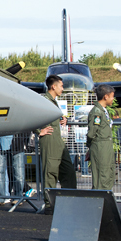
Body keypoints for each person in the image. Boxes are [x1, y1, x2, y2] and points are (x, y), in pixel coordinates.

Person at [38, 74, 76, 211]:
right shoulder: (43, 100)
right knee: (50, 172)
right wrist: (38, 131)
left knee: (68, 171)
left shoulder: (53, 101)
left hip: (58, 140)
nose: (63, 88)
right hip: (49, 140)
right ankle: (50, 205)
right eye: (61, 86)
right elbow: (31, 115)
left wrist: (62, 118)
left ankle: (69, 201)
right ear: (53, 87)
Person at [87, 84, 116, 193]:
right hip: (100, 147)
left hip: (106, 147)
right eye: (112, 96)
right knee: (101, 176)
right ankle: (98, 204)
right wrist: (90, 147)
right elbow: (91, 133)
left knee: (108, 174)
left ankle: (104, 203)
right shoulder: (97, 112)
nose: (113, 99)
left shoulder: (103, 111)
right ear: (106, 97)